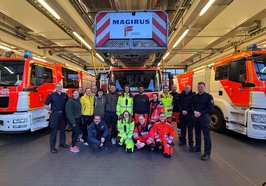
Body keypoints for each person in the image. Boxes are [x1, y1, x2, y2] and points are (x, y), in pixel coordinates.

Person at [192, 82, 214, 161]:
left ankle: (207, 153)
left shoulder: (209, 97)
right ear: (197, 88)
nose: (200, 88)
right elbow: (192, 106)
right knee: (197, 134)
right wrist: (194, 112)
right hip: (196, 118)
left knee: (206, 136)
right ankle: (197, 148)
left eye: (201, 87)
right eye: (199, 87)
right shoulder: (195, 96)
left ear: (204, 87)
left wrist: (200, 113)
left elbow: (210, 108)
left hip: (204, 118)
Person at [44, 83, 69, 153]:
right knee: (53, 132)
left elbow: (68, 104)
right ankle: (52, 147)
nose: (59, 88)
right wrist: (52, 110)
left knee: (63, 131)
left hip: (63, 115)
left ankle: (62, 143)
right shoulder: (51, 95)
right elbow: (45, 105)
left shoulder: (65, 95)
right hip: (55, 115)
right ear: (55, 87)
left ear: (62, 87)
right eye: (58, 87)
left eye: (60, 87)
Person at [178, 85, 194, 150]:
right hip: (182, 114)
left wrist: (187, 111)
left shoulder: (193, 95)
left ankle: (191, 143)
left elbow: (193, 105)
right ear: (184, 89)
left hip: (190, 115)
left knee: (190, 130)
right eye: (186, 88)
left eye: (188, 88)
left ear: (190, 89)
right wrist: (182, 110)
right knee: (183, 129)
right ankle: (183, 141)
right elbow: (178, 103)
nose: (187, 89)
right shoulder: (181, 95)